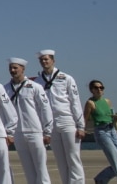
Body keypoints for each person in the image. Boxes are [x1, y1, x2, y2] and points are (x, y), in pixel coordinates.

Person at [33, 50, 86, 184]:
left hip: (67, 120)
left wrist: (80, 125)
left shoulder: (66, 78)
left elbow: (75, 102)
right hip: (51, 124)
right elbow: (38, 106)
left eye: (46, 59)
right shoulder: (38, 81)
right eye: (41, 60)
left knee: (73, 158)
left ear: (53, 60)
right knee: (61, 161)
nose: (44, 62)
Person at [5, 57, 53, 184]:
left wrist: (47, 131)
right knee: (28, 170)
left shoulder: (35, 87)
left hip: (35, 131)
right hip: (18, 133)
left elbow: (45, 108)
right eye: (11, 68)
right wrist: (8, 132)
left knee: (41, 169)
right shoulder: (5, 89)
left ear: (23, 69)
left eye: (15, 68)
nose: (13, 70)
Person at [85, 80, 117, 184]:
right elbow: (85, 119)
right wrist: (81, 130)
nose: (99, 89)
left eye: (101, 87)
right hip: (102, 133)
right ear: (92, 90)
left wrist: (115, 119)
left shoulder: (107, 101)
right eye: (96, 88)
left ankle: (101, 179)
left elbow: (110, 118)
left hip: (112, 130)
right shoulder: (90, 103)